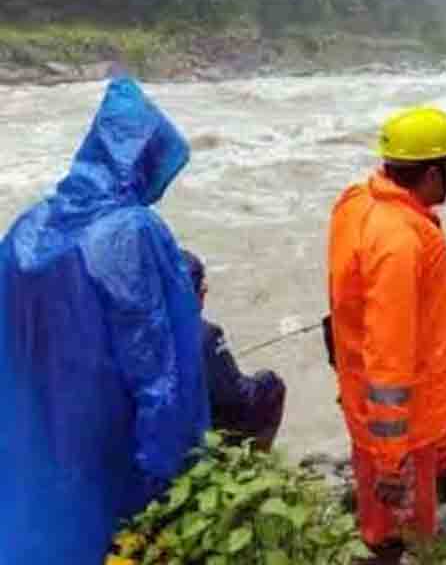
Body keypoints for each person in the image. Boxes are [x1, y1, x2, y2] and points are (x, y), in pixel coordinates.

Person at [0, 76, 209, 563]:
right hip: (105, 447)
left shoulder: (27, 228)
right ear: (143, 159)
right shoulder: (131, 233)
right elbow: (159, 367)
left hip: (29, 442)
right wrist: (165, 468)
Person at [328, 106, 446, 563]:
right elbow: (390, 352)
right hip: (401, 426)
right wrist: (393, 457)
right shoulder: (401, 240)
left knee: (378, 524)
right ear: (432, 173)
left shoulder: (358, 202)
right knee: (403, 537)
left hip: (366, 403)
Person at [180, 249, 287, 452]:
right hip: (204, 430)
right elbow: (235, 395)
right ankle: (254, 462)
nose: (205, 289)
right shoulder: (206, 334)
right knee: (271, 385)